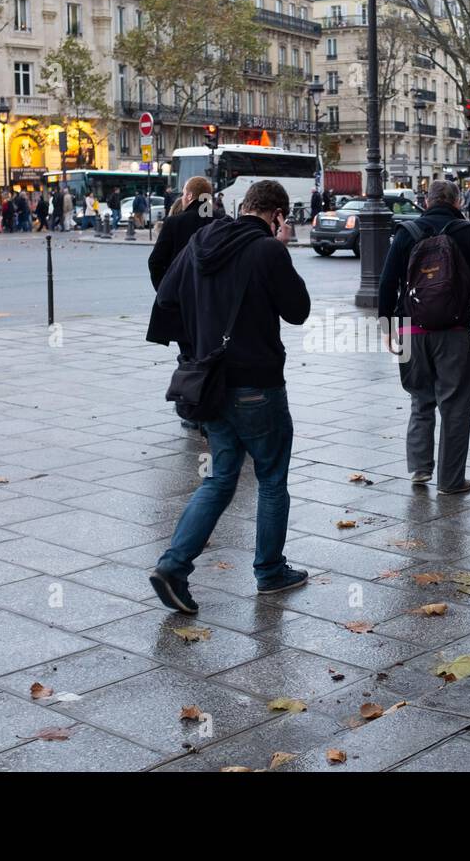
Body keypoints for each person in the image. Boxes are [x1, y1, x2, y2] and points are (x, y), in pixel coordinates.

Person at [148, 179, 311, 615]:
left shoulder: (203, 238)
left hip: (211, 384)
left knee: (221, 478)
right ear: (277, 215)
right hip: (258, 385)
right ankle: (270, 571)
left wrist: (201, 334)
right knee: (272, 478)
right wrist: (283, 249)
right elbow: (299, 311)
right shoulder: (268, 251)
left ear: (244, 206)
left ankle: (173, 565)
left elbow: (165, 296)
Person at [377, 179, 470, 495]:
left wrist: (386, 326)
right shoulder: (467, 233)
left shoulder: (407, 233)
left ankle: (420, 469)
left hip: (411, 332)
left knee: (420, 400)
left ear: (427, 201)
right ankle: (450, 481)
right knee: (455, 407)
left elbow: (386, 282)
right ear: (458, 202)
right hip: (453, 333)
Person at [148, 176, 219, 428]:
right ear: (208, 198)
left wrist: (167, 292)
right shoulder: (222, 221)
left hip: (183, 307)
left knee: (189, 356)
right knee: (212, 355)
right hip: (215, 307)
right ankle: (213, 406)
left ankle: (193, 409)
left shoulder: (175, 223)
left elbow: (156, 262)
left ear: (188, 196)